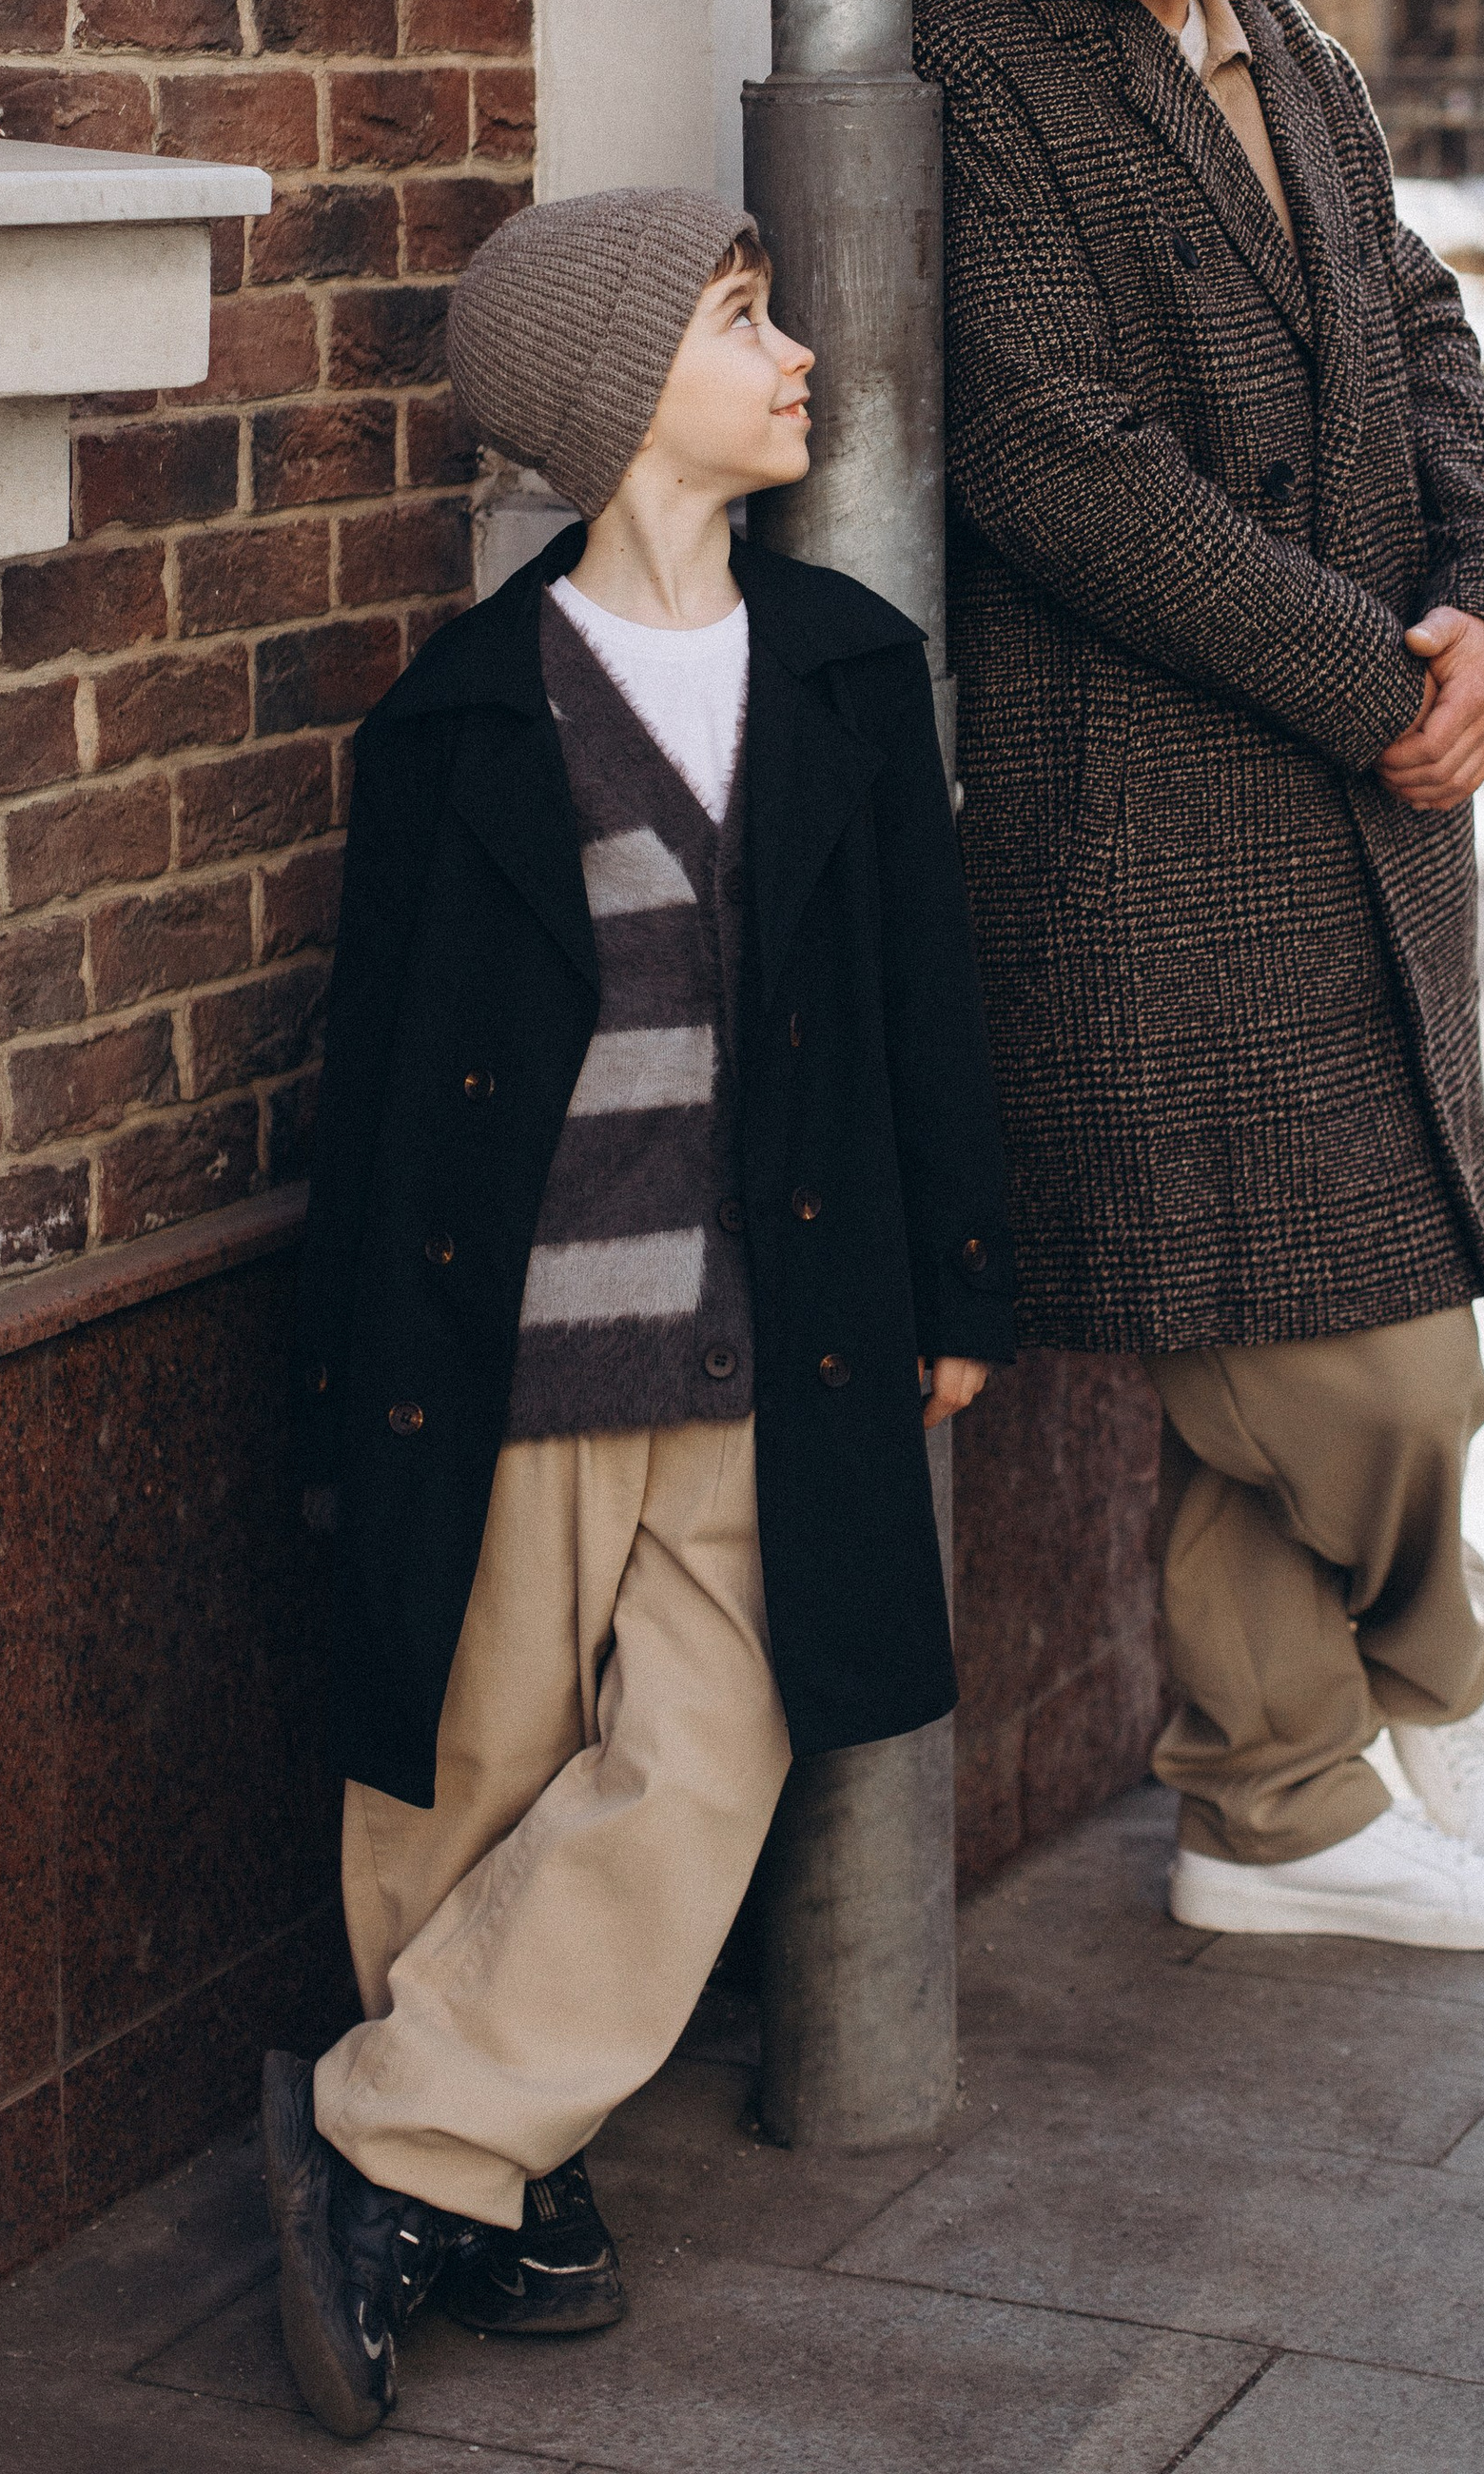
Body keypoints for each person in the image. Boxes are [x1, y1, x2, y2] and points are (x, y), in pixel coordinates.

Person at [262, 188, 1013, 2442]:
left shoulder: (850, 668)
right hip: (500, 1360)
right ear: (609, 398)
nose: (794, 355)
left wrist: (953, 1274)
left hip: (762, 1344)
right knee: (471, 1781)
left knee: (706, 1762)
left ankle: (383, 2139)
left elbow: (920, 1013)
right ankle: (510, 2166)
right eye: (738, 318)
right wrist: (348, 1379)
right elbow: (382, 1082)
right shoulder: (461, 719)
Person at [911, 0, 1484, 1954]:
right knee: (1357, 1367)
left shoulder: (1277, 29)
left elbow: (1414, 328)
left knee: (1263, 1326)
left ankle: (1271, 1814)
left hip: (1342, 812)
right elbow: (1057, 463)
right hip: (1145, 830)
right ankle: (1445, 1657)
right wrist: (1378, 682)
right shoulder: (958, 55)